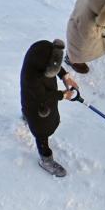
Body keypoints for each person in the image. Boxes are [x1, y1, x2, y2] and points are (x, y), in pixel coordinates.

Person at [20, 39, 78, 177]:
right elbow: (44, 98)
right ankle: (46, 159)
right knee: (41, 131)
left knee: (27, 107)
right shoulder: (32, 80)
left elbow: (53, 62)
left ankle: (25, 115)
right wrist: (63, 95)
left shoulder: (39, 55)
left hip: (33, 96)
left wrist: (65, 76)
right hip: (38, 106)